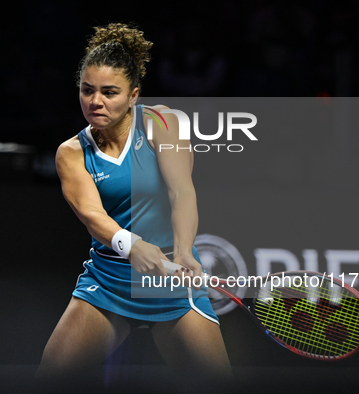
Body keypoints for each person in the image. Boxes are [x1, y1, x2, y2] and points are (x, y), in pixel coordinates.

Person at [38, 23, 231, 382]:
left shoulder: (164, 123)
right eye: (87, 90)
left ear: (134, 95)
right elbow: (92, 215)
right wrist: (132, 246)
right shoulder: (71, 152)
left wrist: (186, 252)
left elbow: (181, 192)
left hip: (172, 281)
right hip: (109, 281)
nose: (96, 101)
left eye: (110, 92)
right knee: (48, 383)